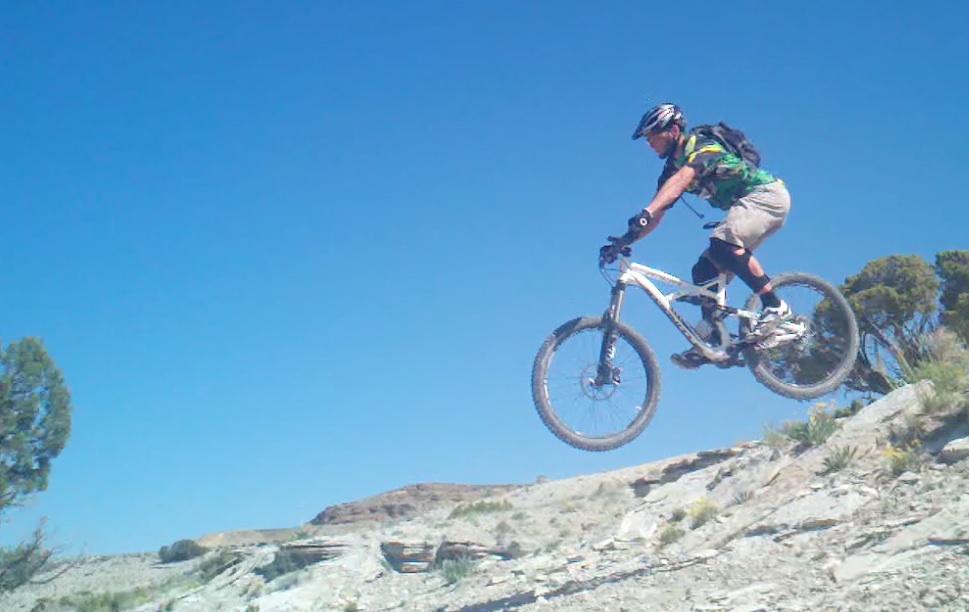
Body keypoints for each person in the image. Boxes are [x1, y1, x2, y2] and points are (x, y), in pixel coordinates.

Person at [617, 102, 792, 369]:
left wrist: (646, 211)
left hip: (766, 195)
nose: (649, 142)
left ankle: (775, 306)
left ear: (674, 130)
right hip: (746, 207)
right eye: (647, 138)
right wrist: (626, 239)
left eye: (653, 135)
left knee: (723, 242)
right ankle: (716, 337)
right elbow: (659, 209)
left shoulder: (701, 145)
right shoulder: (671, 169)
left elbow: (678, 184)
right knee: (703, 270)